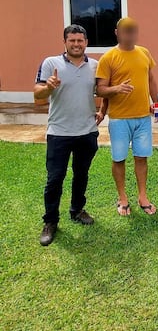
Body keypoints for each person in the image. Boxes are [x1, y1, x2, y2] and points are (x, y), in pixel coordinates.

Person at [34, 25, 106, 246]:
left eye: (80, 40)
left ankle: (76, 210)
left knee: (81, 174)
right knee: (55, 178)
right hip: (59, 133)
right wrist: (49, 86)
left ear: (86, 42)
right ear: (64, 42)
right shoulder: (50, 63)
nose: (76, 44)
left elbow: (103, 90)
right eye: (72, 40)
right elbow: (37, 96)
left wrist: (103, 110)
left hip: (87, 132)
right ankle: (50, 221)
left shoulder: (95, 65)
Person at [96, 17, 158, 217]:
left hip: (143, 118)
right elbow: (100, 89)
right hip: (119, 119)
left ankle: (143, 196)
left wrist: (156, 103)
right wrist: (117, 88)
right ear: (117, 32)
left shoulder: (144, 53)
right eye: (125, 31)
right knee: (119, 159)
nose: (130, 34)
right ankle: (122, 197)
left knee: (142, 158)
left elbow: (151, 79)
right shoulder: (108, 58)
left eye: (133, 30)